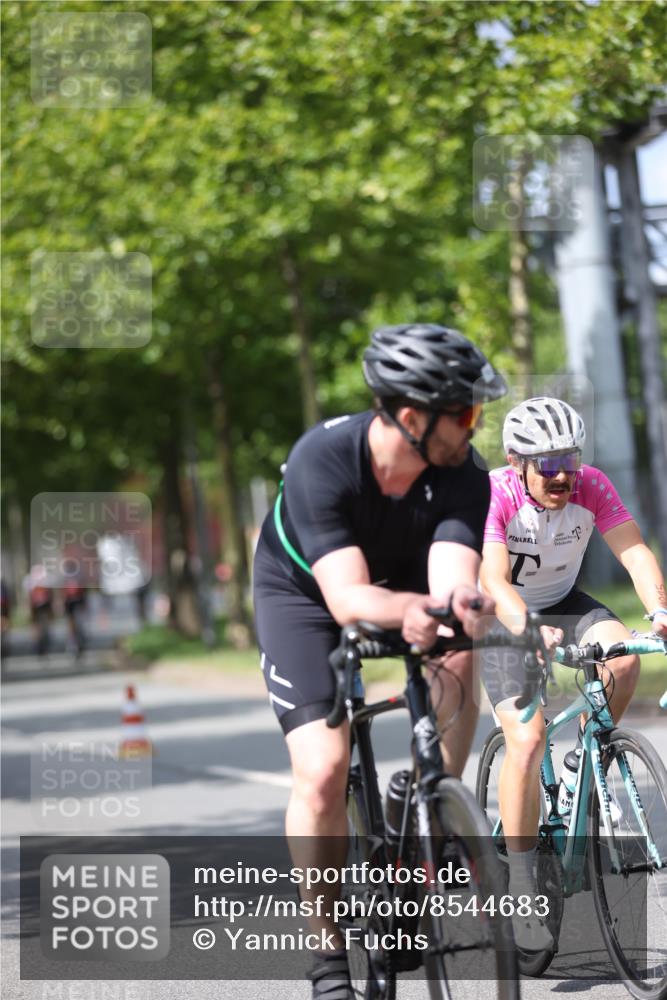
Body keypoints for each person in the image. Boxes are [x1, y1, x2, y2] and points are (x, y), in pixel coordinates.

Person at [253, 323, 507, 999]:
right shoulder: (323, 459)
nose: (475, 424)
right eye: (465, 413)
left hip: (402, 579)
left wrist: (462, 604)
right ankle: (327, 954)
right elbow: (347, 599)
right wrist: (412, 610)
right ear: (411, 417)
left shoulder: (463, 474)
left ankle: (428, 815)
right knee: (323, 771)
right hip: (305, 595)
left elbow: (450, 579)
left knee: (458, 657)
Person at [480, 396, 667, 951]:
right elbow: (493, 580)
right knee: (527, 739)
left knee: (625, 659)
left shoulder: (592, 485)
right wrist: (526, 629)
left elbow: (634, 553)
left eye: (570, 460)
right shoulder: (495, 494)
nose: (563, 476)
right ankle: (521, 886)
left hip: (566, 602)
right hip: (506, 613)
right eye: (548, 464)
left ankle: (587, 756)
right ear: (517, 462)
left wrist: (659, 610)